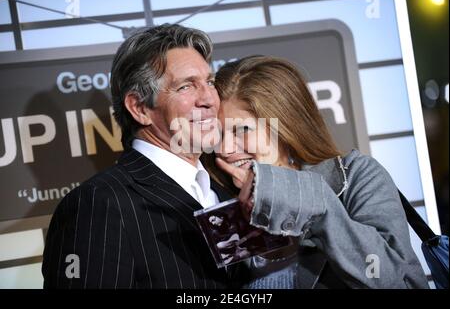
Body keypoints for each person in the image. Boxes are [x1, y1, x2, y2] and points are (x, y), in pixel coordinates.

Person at [205, 55, 429, 289]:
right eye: (218, 133)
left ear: (285, 125)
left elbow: (391, 280)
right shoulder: (218, 203)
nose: (224, 148)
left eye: (242, 130)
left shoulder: (354, 176)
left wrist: (308, 203)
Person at [42, 24, 235, 288]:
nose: (209, 99)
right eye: (185, 87)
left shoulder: (227, 189)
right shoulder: (100, 205)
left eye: (209, 82)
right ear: (139, 107)